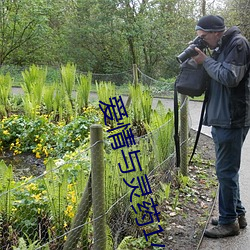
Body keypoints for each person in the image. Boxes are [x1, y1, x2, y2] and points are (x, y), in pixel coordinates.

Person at [192, 15, 250, 238]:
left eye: (204, 37)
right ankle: (237, 214)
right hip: (222, 117)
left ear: (216, 32)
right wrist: (202, 60)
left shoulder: (238, 44)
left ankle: (228, 223)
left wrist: (205, 61)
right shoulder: (221, 46)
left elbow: (229, 77)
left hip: (232, 118)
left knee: (225, 171)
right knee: (227, 171)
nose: (203, 41)